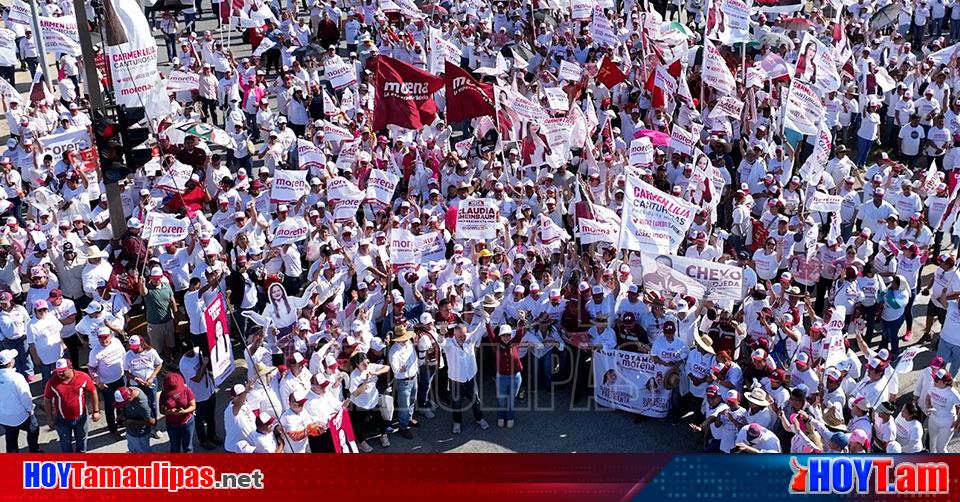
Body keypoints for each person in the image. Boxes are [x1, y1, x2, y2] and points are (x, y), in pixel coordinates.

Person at [43, 359, 101, 453]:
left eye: (62, 371)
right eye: (58, 372)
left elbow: (93, 391)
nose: (60, 374)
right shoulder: (52, 382)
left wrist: (96, 411)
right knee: (65, 444)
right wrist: (49, 418)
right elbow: (47, 400)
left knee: (81, 441)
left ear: (70, 368)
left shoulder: (83, 377)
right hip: (62, 420)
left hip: (81, 418)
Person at [0, 348, 39, 452]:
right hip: (20, 415)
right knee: (33, 428)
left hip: (4, 417)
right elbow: (25, 397)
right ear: (11, 362)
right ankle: (34, 450)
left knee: (11, 436)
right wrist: (30, 409)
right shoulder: (17, 378)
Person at [137, 267, 178, 362]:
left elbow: (172, 300)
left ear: (161, 277)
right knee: (156, 348)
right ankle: (158, 363)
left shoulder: (167, 286)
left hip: (168, 321)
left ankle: (169, 359)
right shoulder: (147, 287)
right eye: (154, 278)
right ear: (150, 278)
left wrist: (175, 315)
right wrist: (142, 285)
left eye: (158, 278)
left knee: (169, 343)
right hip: (154, 324)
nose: (156, 280)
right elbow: (143, 292)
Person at [159, 373, 197, 453]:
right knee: (174, 448)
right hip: (172, 425)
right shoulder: (164, 394)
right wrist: (169, 412)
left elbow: (193, 406)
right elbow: (161, 410)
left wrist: (184, 411)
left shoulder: (186, 390)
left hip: (187, 423)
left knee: (188, 447)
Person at [114, 386, 154, 452]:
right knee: (133, 450)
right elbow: (125, 407)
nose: (122, 406)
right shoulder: (130, 390)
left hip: (140, 435)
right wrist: (121, 415)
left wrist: (131, 422)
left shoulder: (142, 405)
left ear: (129, 398)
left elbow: (151, 422)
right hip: (130, 432)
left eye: (124, 403)